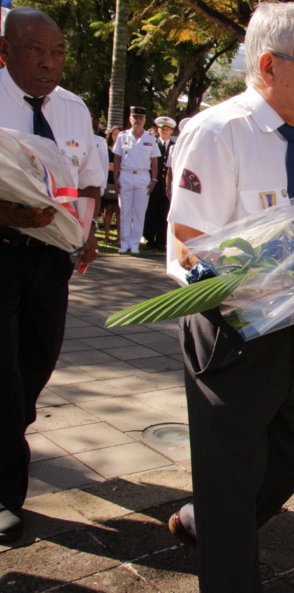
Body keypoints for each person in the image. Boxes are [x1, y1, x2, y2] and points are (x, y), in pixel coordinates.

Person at [163, 5, 294, 592]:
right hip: (228, 332)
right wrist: (242, 276)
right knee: (230, 480)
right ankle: (224, 551)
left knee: (292, 454)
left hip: (291, 327)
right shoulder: (217, 132)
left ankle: (208, 523)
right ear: (268, 65)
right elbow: (186, 248)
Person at [0, 6, 102, 542]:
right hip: (1, 247)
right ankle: (4, 492)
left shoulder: (73, 109)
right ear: (5, 52)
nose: (49, 62)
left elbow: (88, 178)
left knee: (36, 363)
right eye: (35, 50)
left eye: (57, 51)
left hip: (51, 258)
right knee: (4, 375)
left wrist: (85, 231)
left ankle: (9, 435)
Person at [112, 105, 160, 254]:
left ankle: (135, 244)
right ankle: (124, 243)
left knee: (139, 212)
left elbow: (154, 162)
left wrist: (153, 180)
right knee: (125, 211)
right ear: (130, 118)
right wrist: (116, 177)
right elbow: (117, 158)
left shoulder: (150, 138)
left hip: (143, 176)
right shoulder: (122, 136)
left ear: (145, 120)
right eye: (135, 117)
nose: (137, 120)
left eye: (140, 118)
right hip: (126, 175)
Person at [143, 115, 176, 251]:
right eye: (162, 128)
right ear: (158, 129)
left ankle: (161, 241)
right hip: (155, 185)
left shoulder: (175, 146)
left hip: (166, 187)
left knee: (164, 214)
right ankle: (149, 239)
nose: (165, 131)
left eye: (167, 129)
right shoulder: (153, 144)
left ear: (171, 132)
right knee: (151, 213)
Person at [100, 126, 121, 242]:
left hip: (121, 182)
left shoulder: (123, 149)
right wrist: (115, 167)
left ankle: (119, 237)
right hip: (108, 181)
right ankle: (106, 236)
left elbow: (122, 167)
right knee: (107, 210)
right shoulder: (106, 149)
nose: (116, 137)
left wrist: (115, 167)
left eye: (118, 134)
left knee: (119, 211)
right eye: (114, 134)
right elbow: (106, 165)